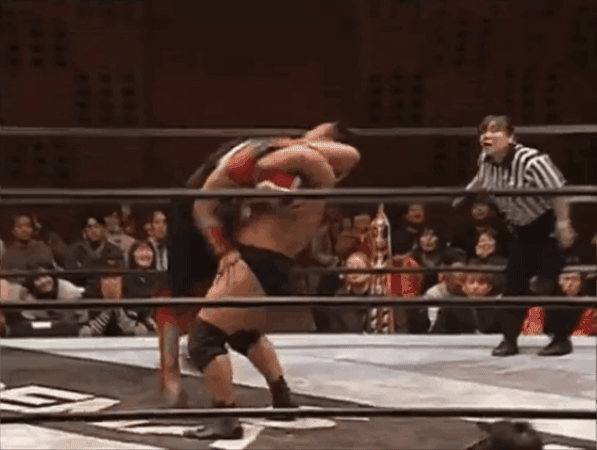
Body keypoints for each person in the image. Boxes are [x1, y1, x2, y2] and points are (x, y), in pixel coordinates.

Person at [184, 122, 360, 439]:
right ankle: (282, 398)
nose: (306, 135)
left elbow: (282, 158)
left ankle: (226, 418)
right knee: (243, 333)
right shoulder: (311, 176)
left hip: (257, 259)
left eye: (317, 132)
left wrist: (261, 154)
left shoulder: (316, 166)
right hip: (272, 262)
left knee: (203, 340)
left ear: (330, 139)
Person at [457, 115, 581, 356]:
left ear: (511, 137)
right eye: (483, 131)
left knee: (546, 283)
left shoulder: (532, 161)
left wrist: (563, 223)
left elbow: (559, 190)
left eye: (495, 131)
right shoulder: (485, 158)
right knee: (514, 285)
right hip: (519, 228)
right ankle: (509, 340)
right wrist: (465, 194)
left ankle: (560, 339)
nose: (487, 135)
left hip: (545, 225)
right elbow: (482, 178)